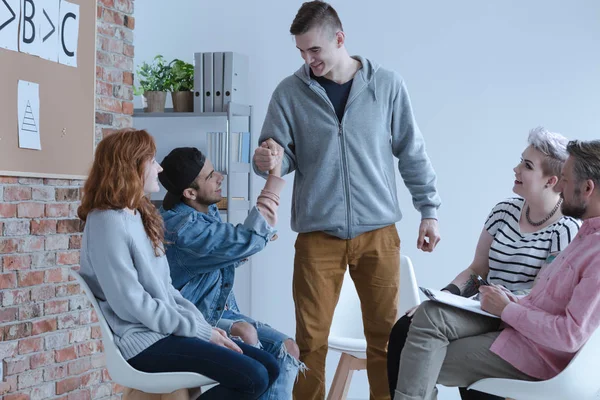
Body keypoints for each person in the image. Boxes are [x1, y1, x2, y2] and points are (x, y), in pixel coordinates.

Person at [253, 1, 441, 398]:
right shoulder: (290, 92)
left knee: (386, 340)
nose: (308, 60)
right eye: (301, 52)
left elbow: (412, 151)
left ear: (340, 39)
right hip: (317, 236)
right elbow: (277, 155)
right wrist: (265, 158)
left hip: (378, 233)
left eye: (315, 50)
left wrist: (429, 210)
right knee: (311, 342)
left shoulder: (386, 85)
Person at [77, 129, 279, 400]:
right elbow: (133, 305)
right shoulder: (107, 223)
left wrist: (202, 327)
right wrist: (198, 330)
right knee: (254, 377)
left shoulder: (137, 215)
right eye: (152, 161)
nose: (159, 168)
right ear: (132, 166)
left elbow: (167, 289)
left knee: (270, 366)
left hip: (166, 331)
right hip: (144, 342)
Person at [392, 138, 600, 400]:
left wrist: (506, 308)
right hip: (512, 321)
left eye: (566, 181)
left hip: (536, 352)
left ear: (588, 188)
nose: (561, 187)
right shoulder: (584, 234)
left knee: (416, 357)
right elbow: (484, 272)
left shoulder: (579, 239)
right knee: (428, 317)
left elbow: (569, 334)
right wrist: (451, 296)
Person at [158, 143, 303, 400]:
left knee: (287, 348)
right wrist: (274, 177)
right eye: (210, 176)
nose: (220, 177)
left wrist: (244, 246)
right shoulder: (183, 229)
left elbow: (228, 251)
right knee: (246, 333)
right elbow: (249, 237)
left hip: (222, 311)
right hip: (197, 318)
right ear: (190, 192)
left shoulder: (203, 210)